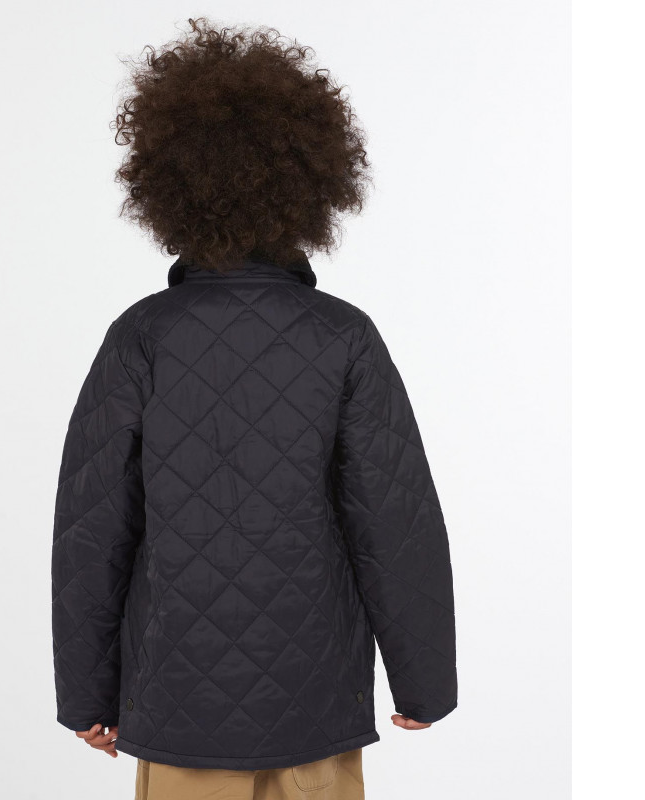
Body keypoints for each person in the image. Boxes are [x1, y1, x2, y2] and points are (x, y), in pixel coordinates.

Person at [51, 17, 457, 800]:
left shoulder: (141, 337)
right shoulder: (344, 336)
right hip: (317, 707)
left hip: (179, 710)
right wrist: (424, 682)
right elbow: (395, 522)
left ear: (169, 187)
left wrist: (87, 695)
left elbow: (92, 531)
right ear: (311, 185)